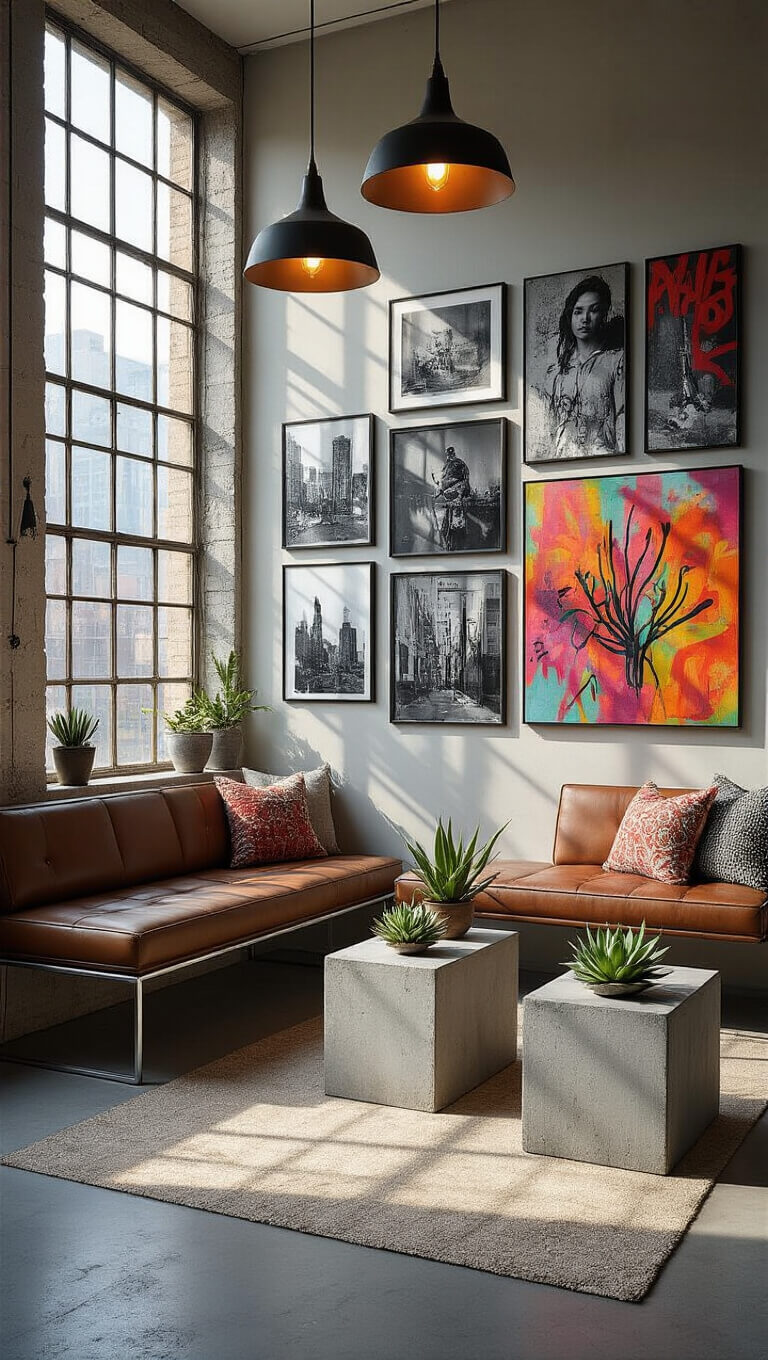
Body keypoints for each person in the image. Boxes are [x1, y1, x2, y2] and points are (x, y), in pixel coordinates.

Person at [547, 275, 624, 458]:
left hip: (604, 460)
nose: (585, 319)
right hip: (562, 465)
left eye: (594, 310)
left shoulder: (617, 361)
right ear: (570, 316)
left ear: (604, 314)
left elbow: (621, 418)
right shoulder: (557, 372)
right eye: (578, 311)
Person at [431, 445, 470, 546]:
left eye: (448, 455)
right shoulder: (458, 464)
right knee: (453, 523)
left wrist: (440, 489)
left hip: (455, 499)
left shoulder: (454, 465)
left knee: (455, 524)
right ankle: (452, 543)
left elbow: (460, 481)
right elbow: (465, 481)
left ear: (449, 454)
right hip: (455, 499)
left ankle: (453, 543)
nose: (448, 457)